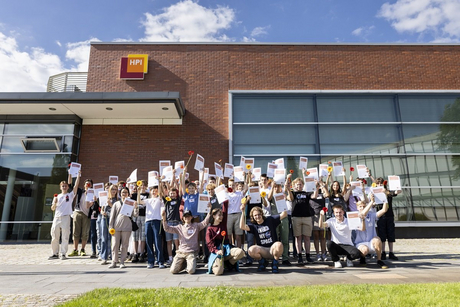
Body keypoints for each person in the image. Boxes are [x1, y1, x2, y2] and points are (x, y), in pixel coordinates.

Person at [163, 205, 211, 274]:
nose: (187, 217)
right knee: (173, 271)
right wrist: (164, 219)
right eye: (185, 216)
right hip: (181, 252)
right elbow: (167, 229)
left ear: (191, 217)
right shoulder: (179, 227)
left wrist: (209, 212)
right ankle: (184, 263)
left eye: (188, 216)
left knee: (191, 271)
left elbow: (205, 223)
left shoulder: (196, 226)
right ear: (183, 218)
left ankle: (190, 263)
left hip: (191, 252)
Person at [239, 204, 287, 273]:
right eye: (255, 215)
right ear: (253, 217)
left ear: (262, 214)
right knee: (250, 250)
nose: (257, 216)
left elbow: (284, 214)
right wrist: (243, 212)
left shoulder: (270, 220)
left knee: (279, 244)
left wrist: (282, 201)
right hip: (263, 250)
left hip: (272, 249)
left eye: (259, 214)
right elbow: (242, 227)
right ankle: (262, 262)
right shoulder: (253, 226)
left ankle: (275, 263)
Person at [206, 198, 245, 275]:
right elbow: (209, 244)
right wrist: (216, 251)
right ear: (213, 216)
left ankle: (229, 263)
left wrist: (224, 198)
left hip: (226, 249)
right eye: (219, 215)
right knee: (218, 272)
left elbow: (225, 208)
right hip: (217, 252)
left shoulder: (223, 224)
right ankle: (219, 263)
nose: (221, 217)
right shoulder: (209, 229)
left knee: (240, 252)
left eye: (222, 215)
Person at [319, 204, 364, 268]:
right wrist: (321, 216)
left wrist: (362, 219)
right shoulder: (332, 220)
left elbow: (362, 228)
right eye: (336, 212)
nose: (338, 214)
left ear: (343, 212)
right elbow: (321, 226)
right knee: (329, 243)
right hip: (337, 245)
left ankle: (349, 259)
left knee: (357, 253)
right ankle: (336, 260)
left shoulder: (349, 221)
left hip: (348, 245)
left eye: (340, 212)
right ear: (334, 213)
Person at [49, 171, 80, 260]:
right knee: (54, 236)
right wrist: (54, 203)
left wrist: (78, 176)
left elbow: (75, 187)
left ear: (67, 187)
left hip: (66, 217)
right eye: (62, 186)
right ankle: (55, 253)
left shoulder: (70, 195)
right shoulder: (57, 196)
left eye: (65, 186)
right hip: (57, 218)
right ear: (60, 187)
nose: (64, 187)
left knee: (65, 237)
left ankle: (63, 253)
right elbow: (52, 208)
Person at [354, 194, 389, 268]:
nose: (362, 208)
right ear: (357, 208)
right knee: (365, 250)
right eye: (360, 207)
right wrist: (371, 202)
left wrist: (385, 199)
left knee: (378, 240)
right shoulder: (355, 216)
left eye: (364, 206)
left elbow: (384, 210)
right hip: (360, 243)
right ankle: (362, 258)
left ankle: (379, 260)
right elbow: (363, 214)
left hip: (371, 242)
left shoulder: (371, 215)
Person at [286, 176, 314, 264]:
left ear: (303, 185)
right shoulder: (293, 193)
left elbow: (314, 196)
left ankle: (308, 256)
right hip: (296, 217)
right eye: (297, 185)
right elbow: (290, 198)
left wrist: (316, 187)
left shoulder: (307, 193)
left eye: (300, 184)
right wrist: (288, 190)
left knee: (307, 237)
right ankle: (299, 256)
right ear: (294, 185)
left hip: (307, 217)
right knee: (298, 237)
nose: (299, 186)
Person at [108, 187, 139, 269]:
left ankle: (122, 261)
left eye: (125, 192)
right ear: (120, 194)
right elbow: (112, 216)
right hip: (116, 227)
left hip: (127, 227)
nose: (124, 194)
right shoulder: (116, 204)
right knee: (114, 245)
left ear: (128, 194)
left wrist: (136, 207)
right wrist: (110, 227)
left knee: (124, 245)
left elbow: (135, 215)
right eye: (122, 192)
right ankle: (114, 261)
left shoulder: (131, 203)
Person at [373, 176, 402, 261]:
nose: (379, 185)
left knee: (390, 234)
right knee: (382, 235)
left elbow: (398, 191)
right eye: (378, 183)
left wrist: (396, 184)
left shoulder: (388, 192)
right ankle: (383, 252)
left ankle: (391, 252)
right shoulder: (375, 193)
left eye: (381, 183)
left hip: (389, 216)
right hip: (380, 216)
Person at [138, 183, 165, 269]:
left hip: (157, 221)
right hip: (148, 221)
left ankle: (160, 261)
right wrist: (139, 192)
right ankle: (150, 261)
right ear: (150, 192)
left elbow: (161, 194)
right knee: (149, 242)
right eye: (153, 191)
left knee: (157, 242)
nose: (154, 192)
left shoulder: (159, 199)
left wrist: (159, 182)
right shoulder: (148, 200)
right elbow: (139, 202)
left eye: (156, 191)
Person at [267, 180, 291, 266]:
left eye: (278, 186)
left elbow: (291, 198)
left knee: (285, 238)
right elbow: (268, 199)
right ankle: (275, 257)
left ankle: (285, 258)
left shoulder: (283, 194)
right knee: (275, 239)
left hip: (284, 217)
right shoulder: (271, 194)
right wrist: (272, 187)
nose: (277, 188)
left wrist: (287, 190)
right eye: (275, 186)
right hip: (275, 218)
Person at [69, 178, 94, 257]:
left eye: (89, 184)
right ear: (84, 185)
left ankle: (83, 249)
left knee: (85, 233)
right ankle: (75, 249)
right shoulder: (80, 191)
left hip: (86, 215)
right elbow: (74, 186)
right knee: (76, 232)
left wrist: (92, 202)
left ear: (91, 186)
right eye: (86, 184)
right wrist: (78, 177)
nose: (87, 185)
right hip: (78, 212)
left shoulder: (93, 194)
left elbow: (90, 205)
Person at [310, 178, 330, 262]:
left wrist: (322, 184)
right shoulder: (310, 193)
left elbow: (327, 195)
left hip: (322, 215)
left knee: (323, 236)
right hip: (314, 215)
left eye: (317, 185)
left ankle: (323, 253)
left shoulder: (322, 193)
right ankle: (318, 253)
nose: (317, 185)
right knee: (316, 236)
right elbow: (314, 196)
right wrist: (316, 187)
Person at [99, 183, 118, 265]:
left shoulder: (117, 200)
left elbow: (116, 210)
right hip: (105, 219)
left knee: (112, 239)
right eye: (112, 189)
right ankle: (104, 257)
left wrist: (110, 204)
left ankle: (112, 256)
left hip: (112, 220)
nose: (113, 191)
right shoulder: (106, 198)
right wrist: (102, 212)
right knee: (104, 238)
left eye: (115, 189)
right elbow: (102, 209)